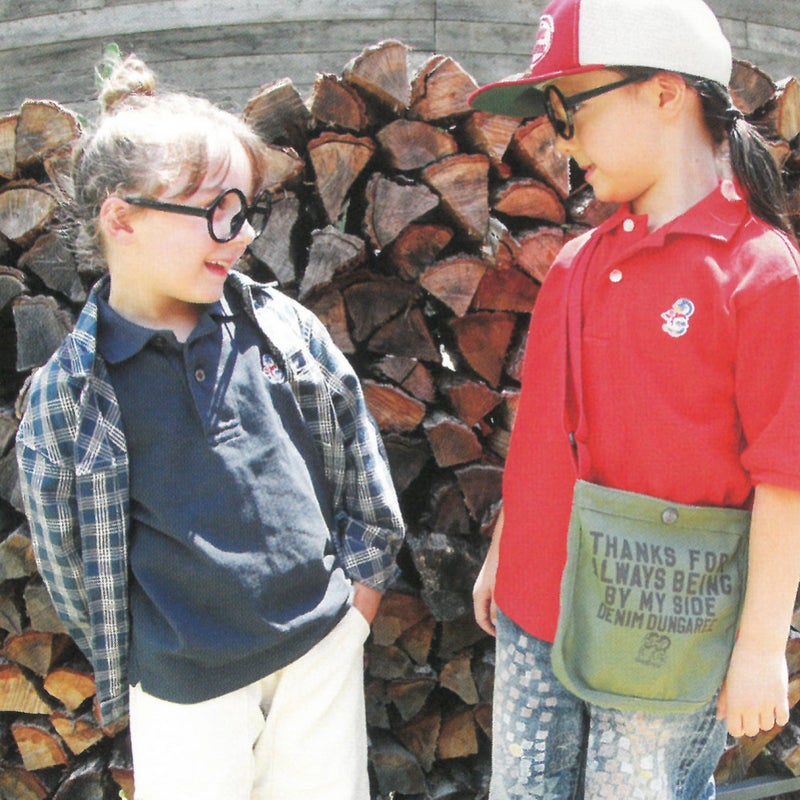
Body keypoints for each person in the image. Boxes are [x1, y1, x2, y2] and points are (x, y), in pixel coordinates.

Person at [15, 52, 404, 800]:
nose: (241, 235)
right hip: (186, 690)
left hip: (320, 652)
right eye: (218, 213)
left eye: (246, 211)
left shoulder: (279, 328)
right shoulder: (72, 394)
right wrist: (142, 656)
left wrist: (360, 600)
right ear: (122, 218)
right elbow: (68, 557)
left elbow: (356, 446)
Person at [468, 0, 800, 797]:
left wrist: (760, 647)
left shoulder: (761, 273)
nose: (562, 141)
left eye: (570, 111)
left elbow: (786, 474)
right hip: (536, 605)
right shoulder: (574, 264)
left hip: (669, 627)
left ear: (665, 93)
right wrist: (504, 550)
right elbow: (542, 429)